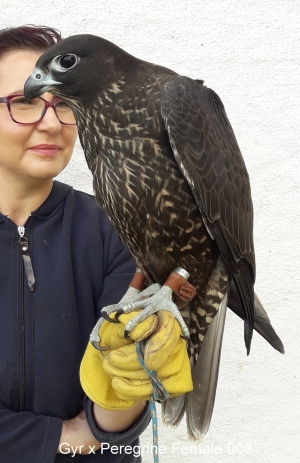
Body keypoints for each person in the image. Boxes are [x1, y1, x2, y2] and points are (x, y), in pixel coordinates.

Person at [0, 25, 193, 463]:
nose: (51, 122)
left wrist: (132, 374)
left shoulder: (115, 225)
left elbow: (114, 424)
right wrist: (60, 438)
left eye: (64, 104)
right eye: (25, 102)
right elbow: (85, 440)